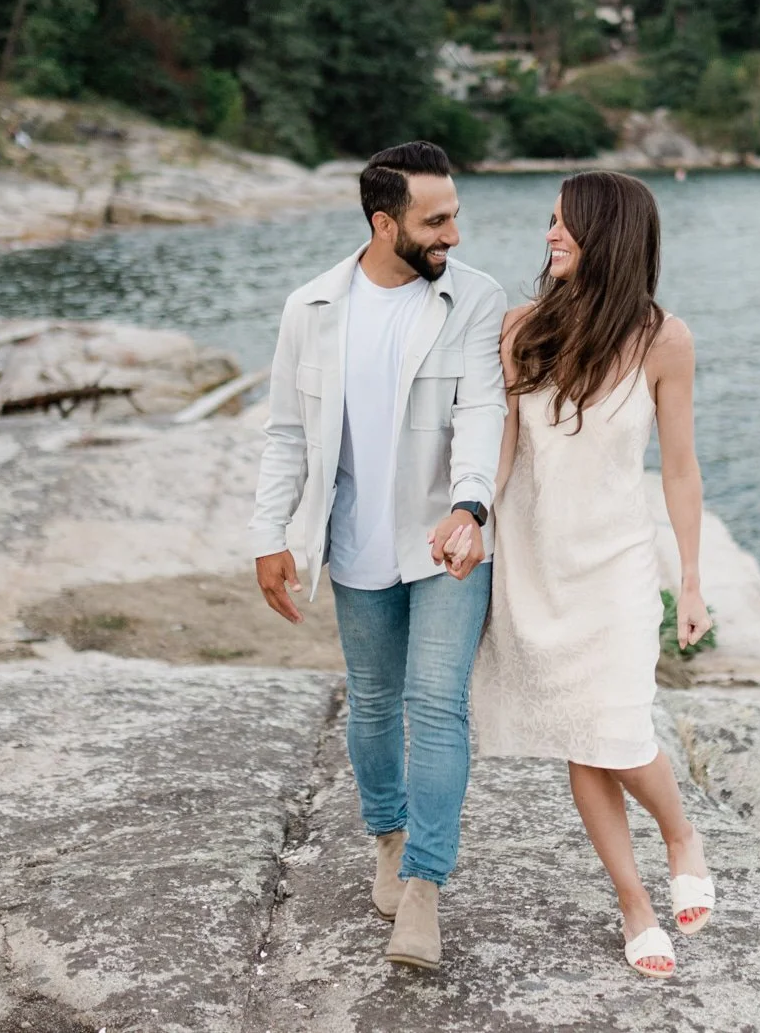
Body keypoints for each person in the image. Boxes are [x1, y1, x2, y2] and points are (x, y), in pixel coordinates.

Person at [248, 140, 507, 970]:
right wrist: (269, 536)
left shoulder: (475, 299)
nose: (455, 235)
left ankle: (425, 886)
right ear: (383, 221)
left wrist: (470, 504)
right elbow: (287, 432)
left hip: (449, 542)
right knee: (371, 703)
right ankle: (388, 837)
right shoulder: (311, 309)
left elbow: (483, 413)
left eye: (456, 214)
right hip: (355, 544)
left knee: (436, 705)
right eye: (437, 221)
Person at [464, 170, 714, 979]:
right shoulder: (520, 329)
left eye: (566, 223)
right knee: (582, 736)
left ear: (610, 234)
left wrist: (694, 580)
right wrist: (471, 518)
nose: (549, 235)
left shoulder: (663, 339)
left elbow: (679, 469)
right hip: (537, 565)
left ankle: (681, 834)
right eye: (549, 220)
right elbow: (503, 445)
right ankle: (634, 901)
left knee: (618, 728)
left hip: (616, 567)